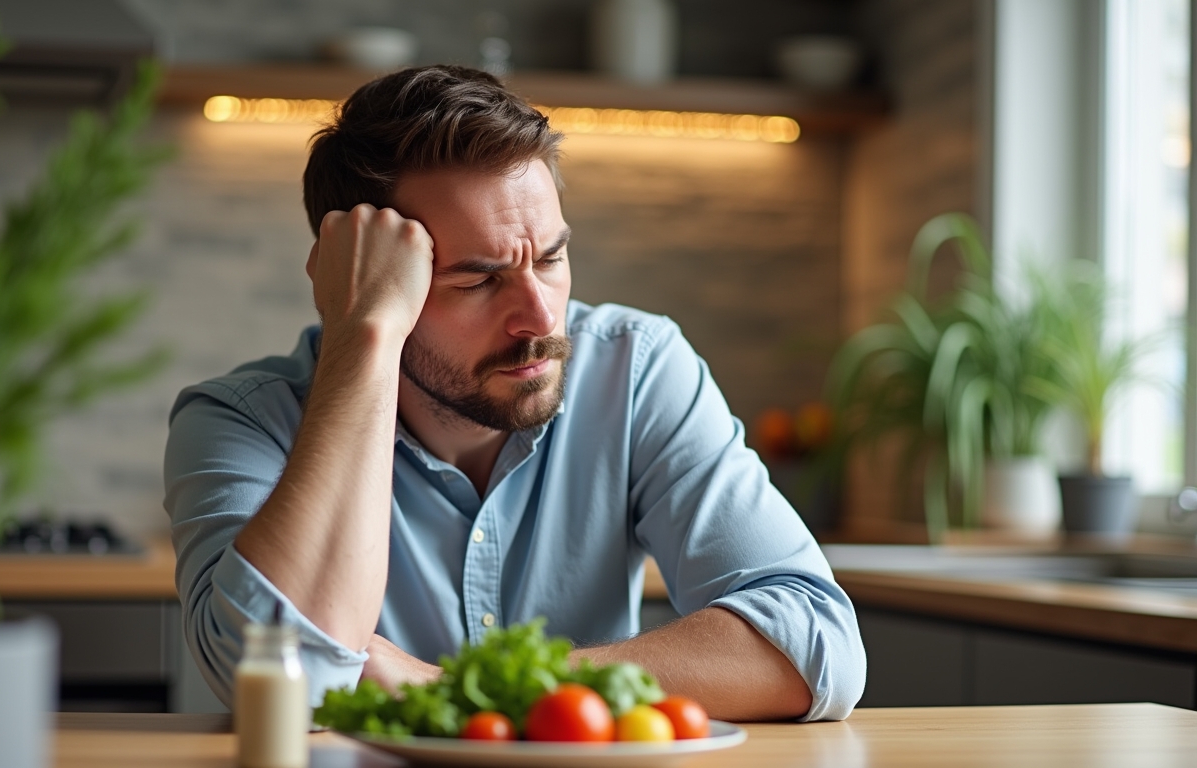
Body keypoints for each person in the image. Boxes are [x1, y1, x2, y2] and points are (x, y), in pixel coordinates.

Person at [164, 65, 865, 722]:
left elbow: (817, 643)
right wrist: (363, 339)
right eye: (477, 280)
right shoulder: (238, 421)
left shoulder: (636, 370)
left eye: (552, 258)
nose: (540, 317)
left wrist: (463, 689)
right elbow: (280, 683)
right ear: (367, 281)